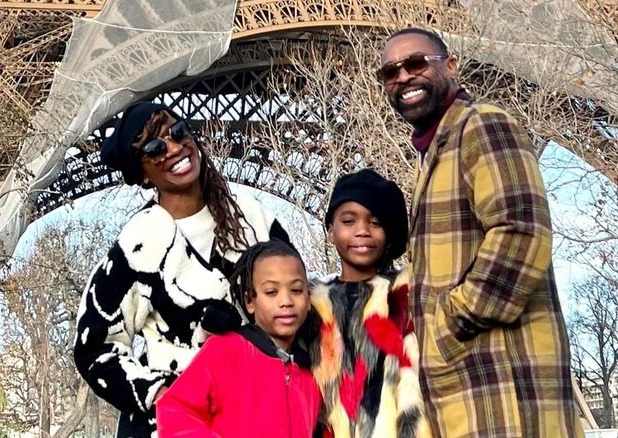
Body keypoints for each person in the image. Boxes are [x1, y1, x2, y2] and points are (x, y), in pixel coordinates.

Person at [378, 28, 583, 437]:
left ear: (451, 66)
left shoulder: (482, 125)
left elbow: (521, 231)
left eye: (416, 63)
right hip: (471, 391)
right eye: (390, 72)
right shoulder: (436, 150)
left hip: (503, 389)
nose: (403, 76)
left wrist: (451, 323)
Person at [73, 101, 292, 438]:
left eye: (178, 131)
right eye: (155, 148)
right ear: (142, 173)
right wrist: (162, 395)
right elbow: (94, 346)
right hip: (173, 426)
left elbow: (298, 296)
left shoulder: (251, 216)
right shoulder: (137, 244)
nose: (174, 147)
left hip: (256, 411)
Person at [309, 168, 431, 438]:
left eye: (375, 223)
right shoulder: (309, 306)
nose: (362, 230)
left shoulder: (408, 296)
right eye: (349, 221)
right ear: (330, 231)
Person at [155, 239, 321, 437]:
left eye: (296, 290)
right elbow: (175, 410)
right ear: (250, 301)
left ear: (308, 298)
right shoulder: (224, 350)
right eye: (271, 292)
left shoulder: (311, 375)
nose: (286, 301)